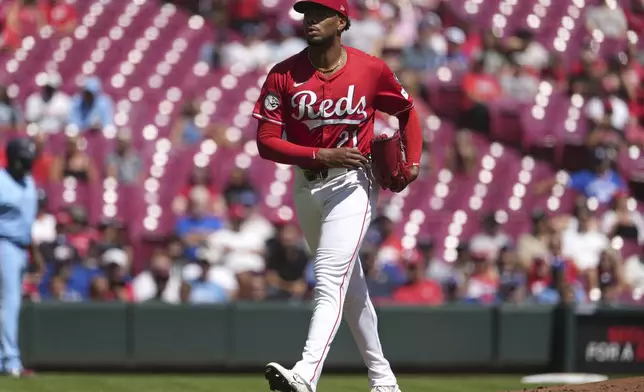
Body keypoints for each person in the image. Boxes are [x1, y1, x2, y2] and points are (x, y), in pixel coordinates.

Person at [253, 1, 422, 392]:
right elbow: (266, 143)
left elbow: (407, 111)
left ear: (341, 21)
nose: (310, 19)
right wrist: (320, 154)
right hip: (307, 186)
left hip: (353, 185)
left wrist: (411, 162)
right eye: (306, 12)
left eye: (320, 13)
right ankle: (384, 380)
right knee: (351, 288)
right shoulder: (283, 74)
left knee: (329, 279)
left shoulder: (369, 68)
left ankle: (306, 375)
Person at [0, 137, 40, 377]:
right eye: (23, 160)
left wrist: (34, 253)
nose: (27, 165)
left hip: (19, 247)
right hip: (3, 243)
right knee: (10, 304)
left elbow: (26, 222)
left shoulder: (29, 182)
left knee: (9, 304)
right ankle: (11, 361)